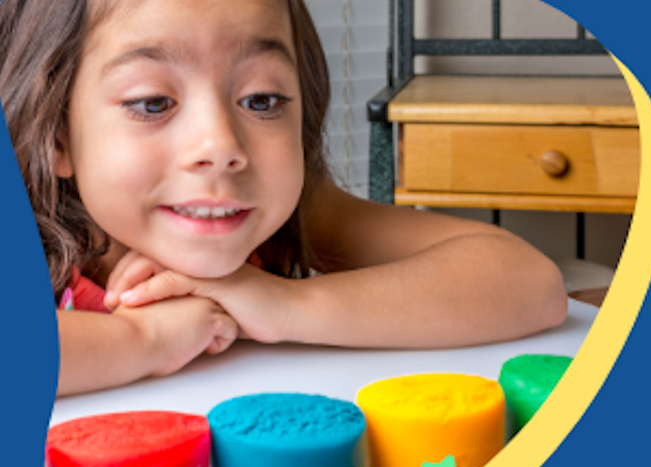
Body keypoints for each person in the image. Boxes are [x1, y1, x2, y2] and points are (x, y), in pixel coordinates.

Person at [0, 0, 568, 398]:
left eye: (263, 99)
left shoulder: (288, 215)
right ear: (56, 136)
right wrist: (143, 338)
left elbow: (530, 286)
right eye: (152, 103)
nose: (221, 147)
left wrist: (276, 306)